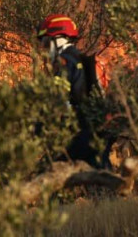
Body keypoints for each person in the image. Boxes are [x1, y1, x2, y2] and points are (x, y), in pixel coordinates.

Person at [36, 14, 99, 166]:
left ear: (57, 40)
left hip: (82, 128)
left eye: (45, 43)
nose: (44, 49)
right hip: (96, 125)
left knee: (51, 169)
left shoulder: (64, 61)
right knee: (99, 173)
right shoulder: (79, 58)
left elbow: (57, 99)